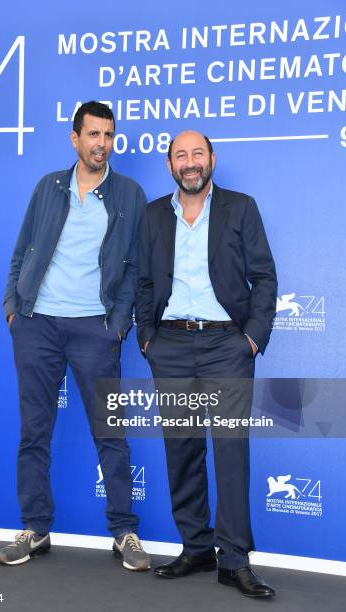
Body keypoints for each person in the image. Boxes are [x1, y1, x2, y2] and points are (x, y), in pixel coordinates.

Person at [0, 101, 150, 571]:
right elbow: (23, 248)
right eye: (93, 134)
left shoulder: (129, 194)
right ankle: (35, 528)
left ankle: (124, 531)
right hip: (36, 324)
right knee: (34, 431)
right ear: (75, 138)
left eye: (108, 135)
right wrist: (12, 307)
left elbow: (136, 270)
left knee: (111, 434)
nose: (101, 143)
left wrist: (118, 325)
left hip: (94, 329)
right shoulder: (49, 187)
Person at [136, 130, 277, 596]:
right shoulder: (154, 214)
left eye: (198, 153)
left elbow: (264, 278)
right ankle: (195, 548)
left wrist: (252, 340)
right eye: (181, 155)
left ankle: (233, 560)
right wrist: (147, 337)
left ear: (212, 159)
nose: (190, 162)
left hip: (226, 346)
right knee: (182, 450)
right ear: (170, 165)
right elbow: (141, 281)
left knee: (231, 451)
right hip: (171, 345)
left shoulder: (241, 207)